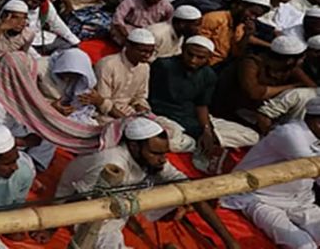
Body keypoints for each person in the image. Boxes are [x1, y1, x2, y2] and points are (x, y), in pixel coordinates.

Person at [56, 118, 240, 249]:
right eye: (156, 154)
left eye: (164, 154)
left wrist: (230, 242)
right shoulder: (112, 163)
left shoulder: (154, 160)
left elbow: (192, 192)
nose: (163, 160)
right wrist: (51, 228)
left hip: (122, 202)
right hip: (92, 212)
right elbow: (77, 201)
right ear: (135, 147)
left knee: (193, 192)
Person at [222, 96, 320, 249]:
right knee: (304, 246)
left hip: (302, 201)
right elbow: (312, 168)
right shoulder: (290, 134)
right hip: (262, 198)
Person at [150, 35, 260, 164]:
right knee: (172, 141)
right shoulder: (163, 65)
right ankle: (201, 143)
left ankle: (205, 141)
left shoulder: (209, 75)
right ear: (182, 49)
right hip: (164, 116)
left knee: (253, 136)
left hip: (192, 117)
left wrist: (207, 130)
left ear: (209, 58)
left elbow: (201, 105)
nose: (193, 60)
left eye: (200, 57)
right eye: (190, 54)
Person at [87, 28, 156, 124]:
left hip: (130, 111)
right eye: (143, 51)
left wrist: (143, 111)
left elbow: (140, 96)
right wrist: (126, 120)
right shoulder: (107, 64)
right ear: (128, 46)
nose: (147, 55)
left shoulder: (145, 67)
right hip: (106, 114)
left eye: (150, 52)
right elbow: (101, 101)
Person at [110, 0, 174, 45]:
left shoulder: (166, 6)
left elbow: (169, 23)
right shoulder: (131, 1)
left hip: (152, 32)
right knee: (117, 31)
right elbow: (118, 17)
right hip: (131, 29)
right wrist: (126, 35)